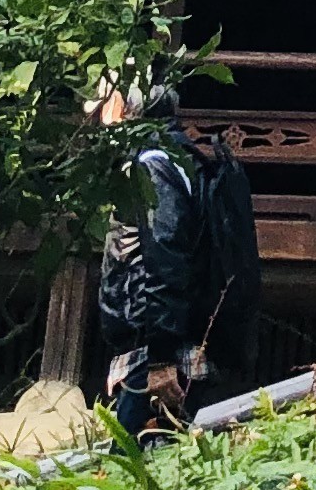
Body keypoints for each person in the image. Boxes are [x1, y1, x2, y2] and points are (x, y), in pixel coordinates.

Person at [97, 80, 262, 433]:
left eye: (105, 100)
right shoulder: (181, 158)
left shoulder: (151, 167)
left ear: (127, 110)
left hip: (158, 359)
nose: (96, 112)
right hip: (174, 350)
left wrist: (159, 358)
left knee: (130, 473)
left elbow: (165, 260)